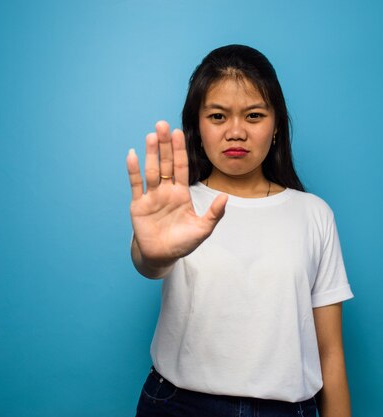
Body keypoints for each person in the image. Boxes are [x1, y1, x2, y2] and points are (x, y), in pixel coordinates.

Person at [126, 44, 354, 417]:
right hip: (179, 405)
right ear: (197, 126)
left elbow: (330, 351)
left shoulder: (313, 215)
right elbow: (149, 261)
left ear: (277, 124)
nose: (235, 132)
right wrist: (153, 253)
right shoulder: (179, 205)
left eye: (253, 116)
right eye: (217, 116)